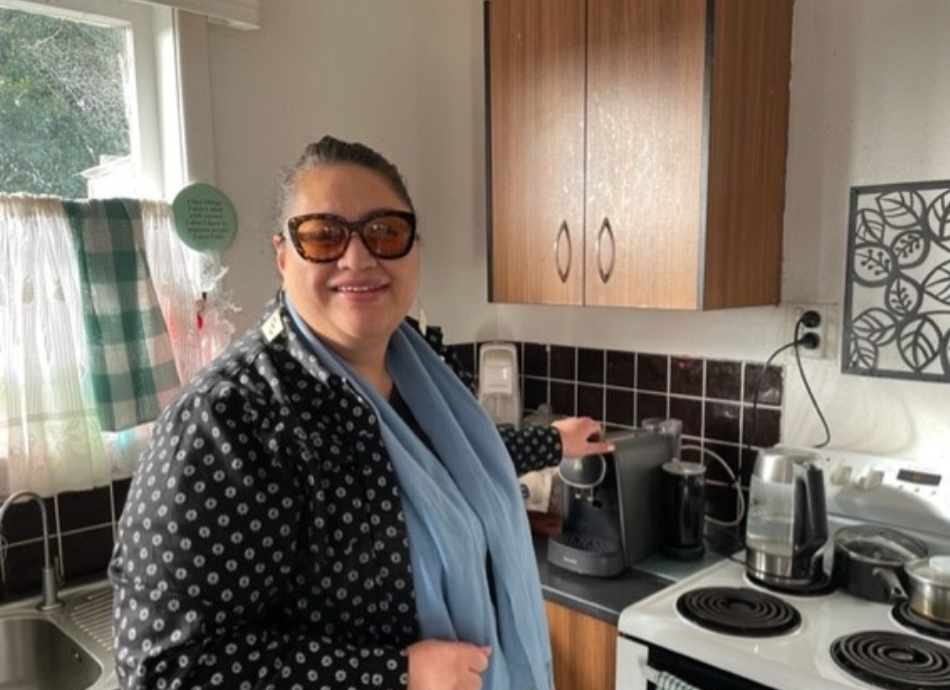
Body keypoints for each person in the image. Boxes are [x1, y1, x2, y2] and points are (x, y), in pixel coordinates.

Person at [109, 135, 613, 690]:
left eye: (384, 232)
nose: (358, 257)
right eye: (323, 236)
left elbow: (455, 463)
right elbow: (164, 669)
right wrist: (395, 674)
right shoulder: (229, 420)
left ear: (414, 248)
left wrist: (552, 443)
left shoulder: (426, 372)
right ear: (283, 257)